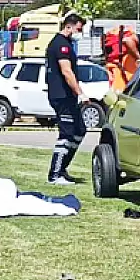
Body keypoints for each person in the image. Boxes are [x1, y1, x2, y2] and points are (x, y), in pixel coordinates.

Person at [45, 13, 89, 186]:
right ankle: (55, 175)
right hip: (61, 95)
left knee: (80, 130)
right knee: (67, 134)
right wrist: (80, 93)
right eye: (79, 28)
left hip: (67, 96)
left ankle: (62, 169)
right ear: (69, 26)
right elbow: (66, 71)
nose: (80, 32)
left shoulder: (67, 44)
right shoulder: (61, 45)